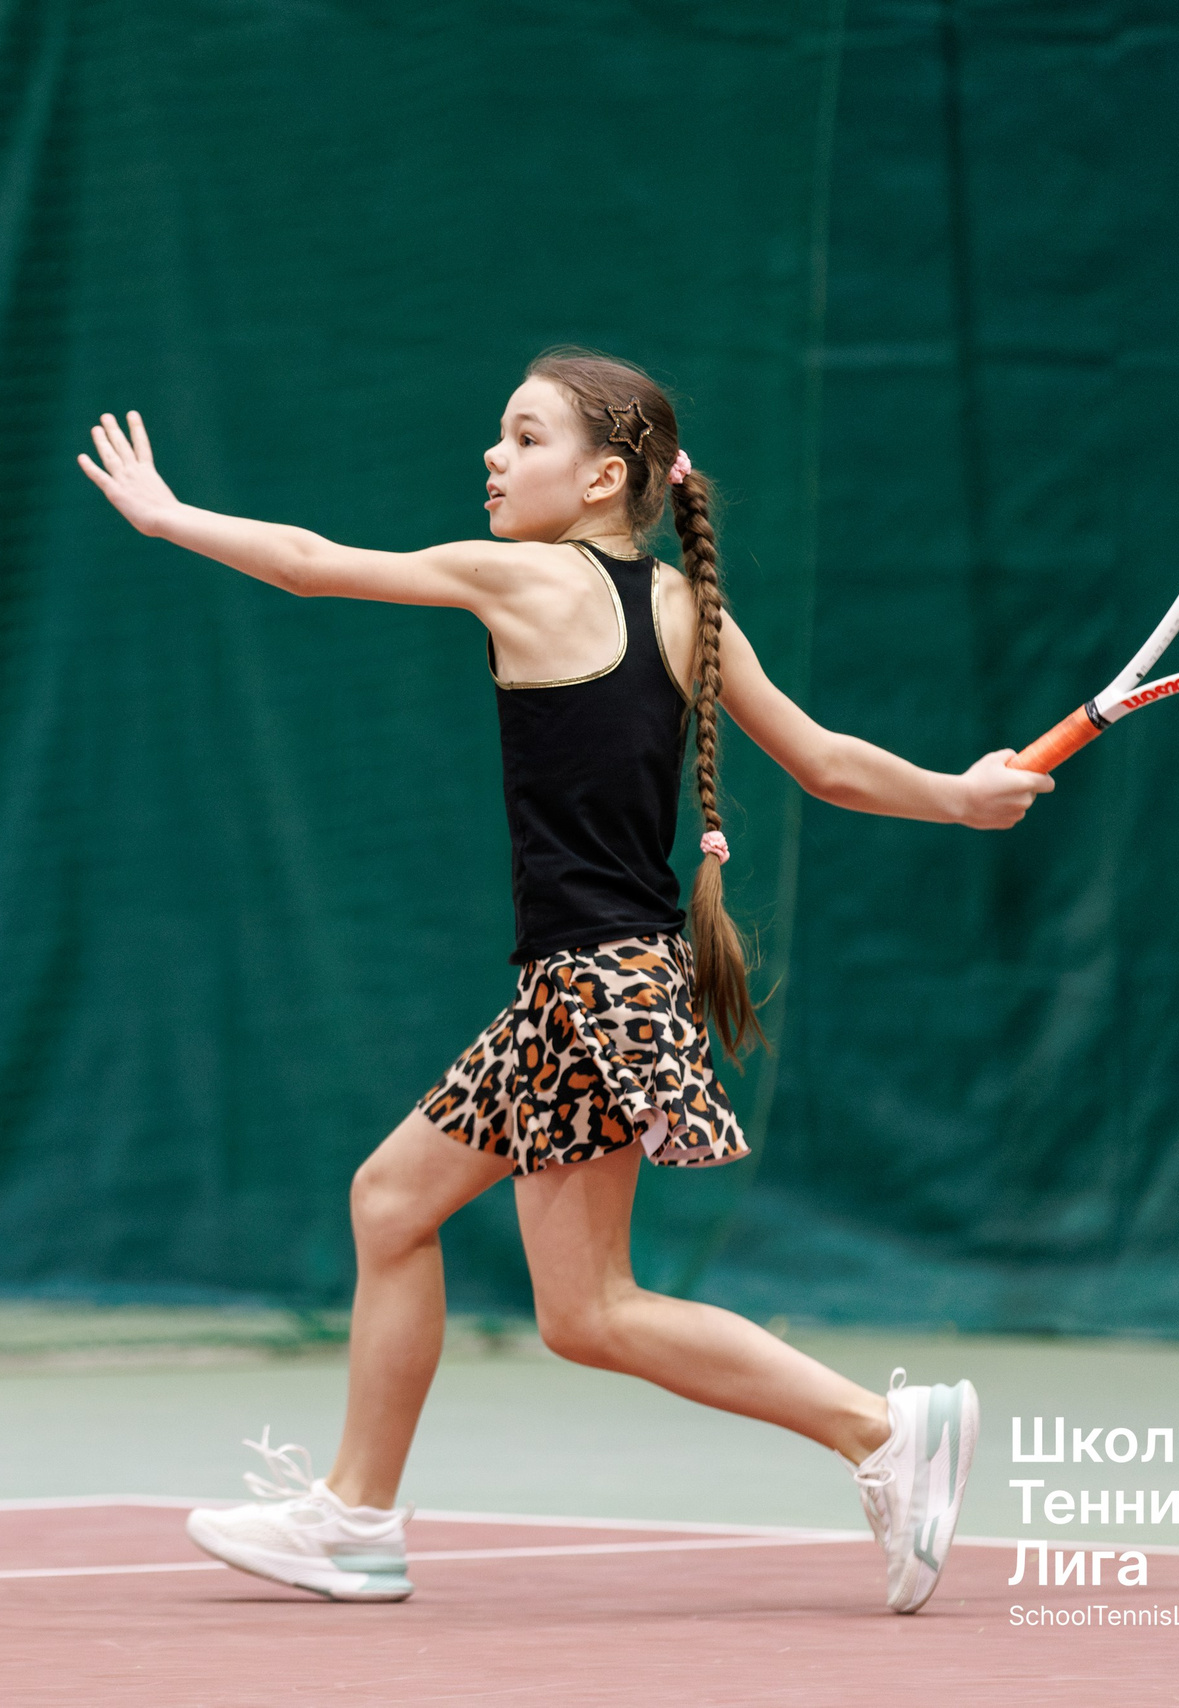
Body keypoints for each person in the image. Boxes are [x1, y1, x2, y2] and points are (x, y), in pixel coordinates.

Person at [77, 348, 1053, 1614]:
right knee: (400, 1210)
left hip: (597, 985)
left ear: (603, 477)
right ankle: (356, 1520)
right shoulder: (690, 609)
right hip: (598, 979)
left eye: (525, 437)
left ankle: (879, 1430)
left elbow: (312, 562)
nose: (494, 455)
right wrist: (960, 799)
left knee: (590, 1306)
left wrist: (169, 517)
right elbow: (829, 764)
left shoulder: (525, 578)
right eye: (500, 434)